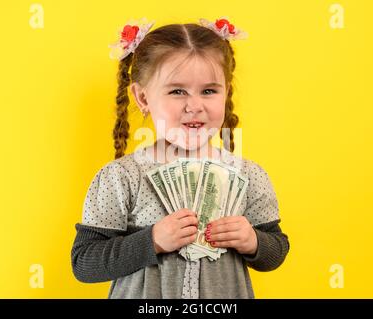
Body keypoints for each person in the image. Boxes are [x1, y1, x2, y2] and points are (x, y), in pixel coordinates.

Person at [71, 17, 290, 298]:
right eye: (177, 91)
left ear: (226, 92)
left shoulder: (249, 175)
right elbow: (85, 263)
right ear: (143, 98)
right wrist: (151, 241)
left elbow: (276, 251)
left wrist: (253, 241)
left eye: (209, 91)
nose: (194, 105)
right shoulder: (121, 177)